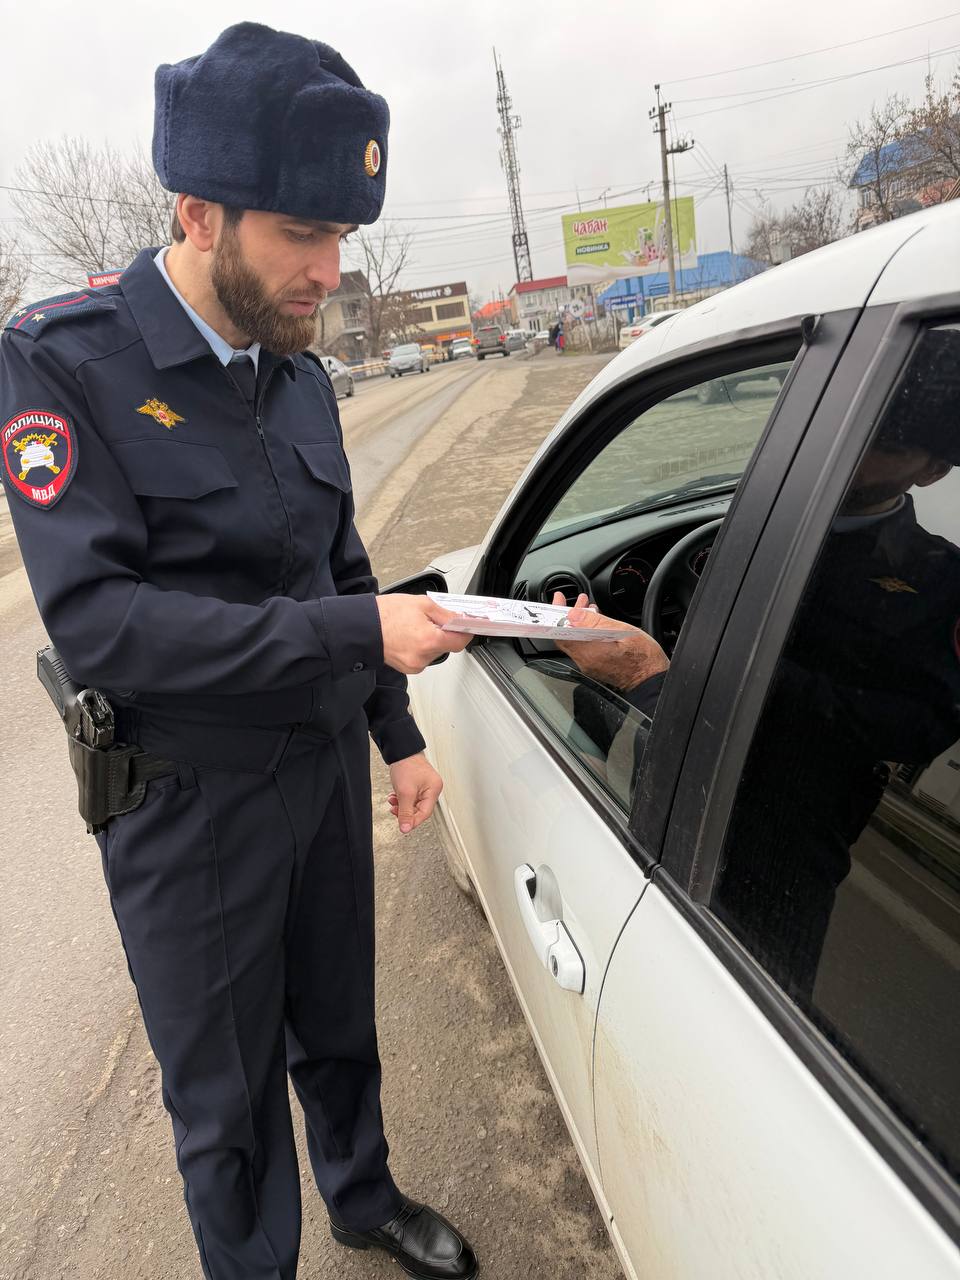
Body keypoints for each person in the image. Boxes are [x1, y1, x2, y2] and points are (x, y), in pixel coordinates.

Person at [0, 23, 479, 1280]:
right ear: (199, 210)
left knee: (339, 1021)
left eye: (342, 238)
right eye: (301, 236)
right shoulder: (65, 360)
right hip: (189, 798)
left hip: (319, 769)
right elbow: (105, 622)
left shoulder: (297, 368)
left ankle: (363, 1195)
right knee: (223, 1098)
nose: (330, 269)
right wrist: (351, 632)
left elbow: (342, 564)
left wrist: (396, 732)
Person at [553, 328, 960, 997]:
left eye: (882, 439)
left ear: (932, 469)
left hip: (791, 847)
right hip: (674, 796)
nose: (848, 449)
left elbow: (911, 727)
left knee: (749, 1007)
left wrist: (673, 678)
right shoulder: (751, 516)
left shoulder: (942, 586)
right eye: (849, 422)